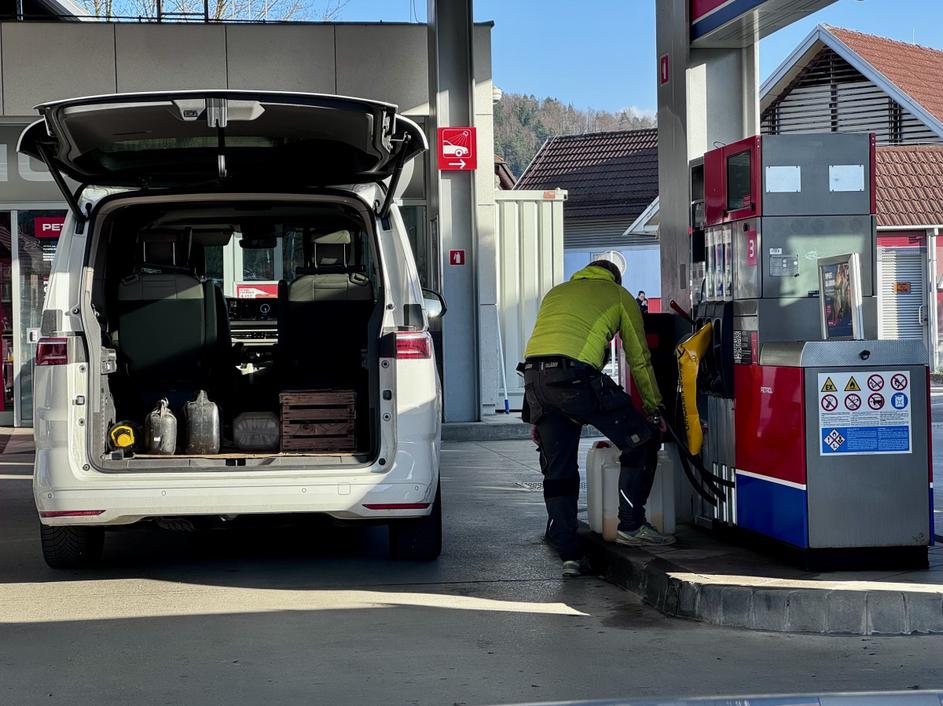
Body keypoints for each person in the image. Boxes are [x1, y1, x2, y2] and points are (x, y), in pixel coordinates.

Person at [521, 260, 672, 578]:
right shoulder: (618, 295)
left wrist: (537, 413)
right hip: (574, 378)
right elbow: (639, 357)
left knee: (559, 469)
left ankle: (569, 552)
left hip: (535, 380)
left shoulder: (557, 292)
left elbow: (546, 346)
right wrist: (654, 407)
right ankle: (631, 525)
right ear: (615, 277)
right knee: (641, 439)